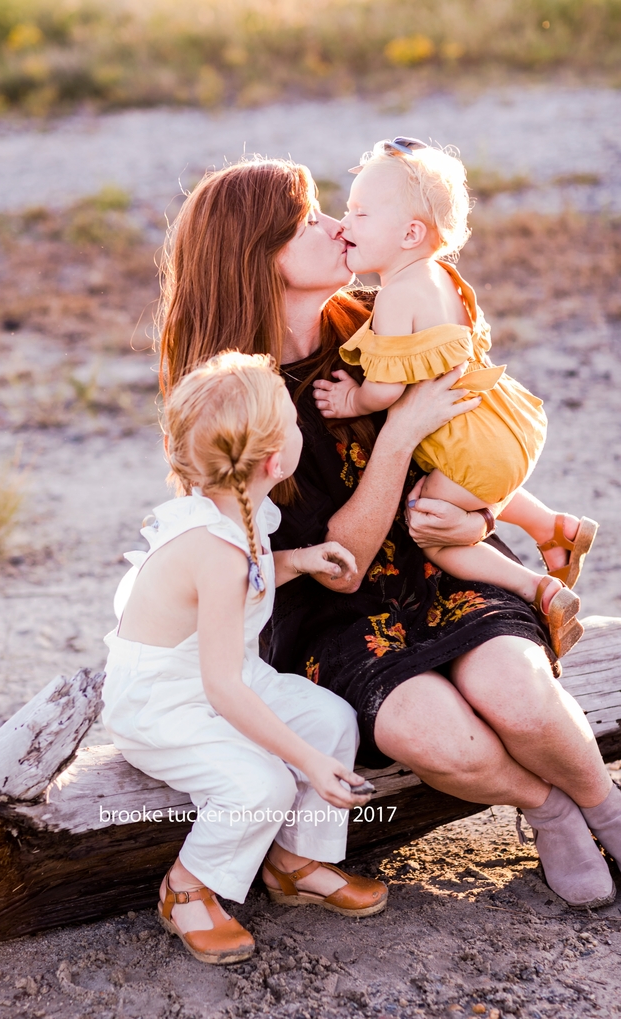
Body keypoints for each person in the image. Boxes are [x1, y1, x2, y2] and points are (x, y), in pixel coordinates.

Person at [159, 156, 621, 911]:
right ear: (258, 259)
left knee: (519, 694)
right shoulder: (233, 402)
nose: (339, 226)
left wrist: (477, 513)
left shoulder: (383, 320)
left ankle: (604, 802)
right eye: (310, 222)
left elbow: (475, 446)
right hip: (330, 611)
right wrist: (399, 433)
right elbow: (335, 566)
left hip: (441, 559)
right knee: (433, 732)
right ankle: (550, 807)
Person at [102, 351, 387, 966]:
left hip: (224, 672)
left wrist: (298, 560)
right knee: (263, 782)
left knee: (332, 718)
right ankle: (187, 888)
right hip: (165, 702)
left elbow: (243, 585)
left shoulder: (240, 513)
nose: (297, 426)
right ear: (275, 462)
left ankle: (293, 860)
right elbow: (224, 689)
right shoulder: (214, 547)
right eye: (292, 421)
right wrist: (305, 760)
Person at [312, 137, 597, 658]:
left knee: (430, 527)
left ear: (410, 233)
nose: (343, 224)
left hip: (469, 444)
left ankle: (537, 588)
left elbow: (388, 388)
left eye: (359, 213)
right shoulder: (441, 274)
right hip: (505, 418)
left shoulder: (397, 295)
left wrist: (353, 401)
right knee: (475, 477)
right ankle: (552, 527)